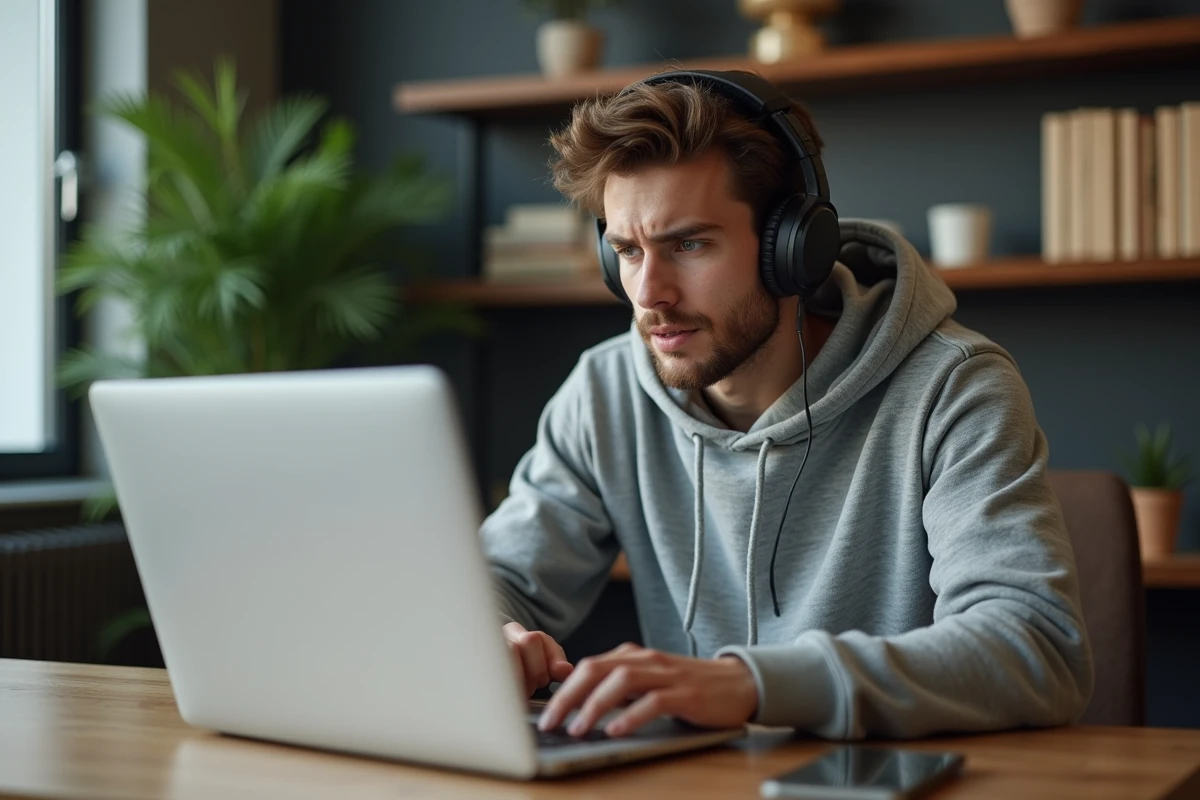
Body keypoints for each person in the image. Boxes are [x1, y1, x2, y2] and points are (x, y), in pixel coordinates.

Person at [479, 69, 1094, 741]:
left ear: (792, 248)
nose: (648, 293)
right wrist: (485, 631)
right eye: (627, 250)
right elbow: (500, 575)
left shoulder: (953, 388)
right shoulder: (604, 392)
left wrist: (752, 684)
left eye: (689, 244)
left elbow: (1036, 648)